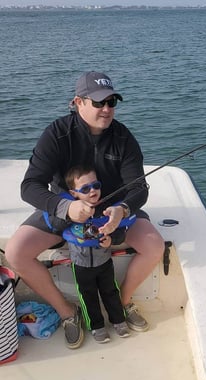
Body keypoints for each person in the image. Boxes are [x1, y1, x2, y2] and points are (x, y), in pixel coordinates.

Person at [5, 71, 165, 349]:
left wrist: (122, 210)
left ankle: (123, 304)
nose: (106, 109)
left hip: (112, 213)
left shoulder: (123, 137)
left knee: (154, 246)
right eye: (99, 102)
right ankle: (68, 313)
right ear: (78, 102)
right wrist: (65, 207)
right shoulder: (57, 134)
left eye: (112, 102)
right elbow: (30, 186)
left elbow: (139, 188)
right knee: (16, 252)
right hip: (65, 211)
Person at [62, 165, 131, 344]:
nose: (92, 191)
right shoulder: (69, 211)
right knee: (88, 296)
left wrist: (112, 239)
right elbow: (53, 224)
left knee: (111, 291)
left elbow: (122, 231)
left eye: (96, 185)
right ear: (74, 193)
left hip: (104, 262)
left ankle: (119, 320)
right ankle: (97, 326)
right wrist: (68, 213)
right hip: (81, 265)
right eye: (85, 189)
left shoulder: (108, 209)